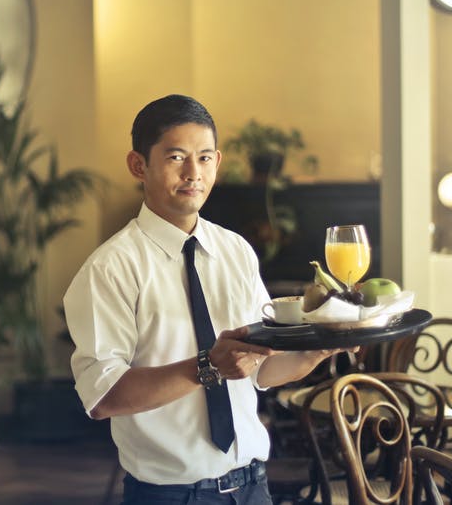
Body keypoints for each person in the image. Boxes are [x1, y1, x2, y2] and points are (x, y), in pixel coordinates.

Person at [64, 95, 346, 505]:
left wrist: (320, 349)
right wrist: (208, 367)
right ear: (139, 165)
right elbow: (103, 397)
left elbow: (261, 372)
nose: (193, 173)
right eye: (177, 157)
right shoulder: (109, 269)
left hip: (253, 486)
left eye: (205, 157)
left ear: (218, 160)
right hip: (170, 496)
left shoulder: (236, 251)